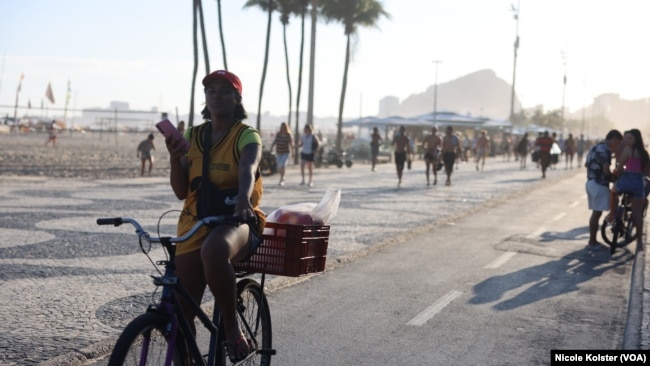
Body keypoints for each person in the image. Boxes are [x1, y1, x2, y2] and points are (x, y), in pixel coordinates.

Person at [164, 69, 265, 363]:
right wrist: (173, 157)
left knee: (215, 250)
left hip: (238, 219)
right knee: (182, 311)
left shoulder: (246, 135)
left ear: (236, 98)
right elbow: (181, 191)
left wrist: (244, 198)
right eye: (211, 91)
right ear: (205, 99)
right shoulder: (192, 136)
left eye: (225, 91)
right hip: (195, 221)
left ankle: (233, 331)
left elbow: (248, 166)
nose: (217, 96)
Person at [607, 129, 649, 249]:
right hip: (638, 184)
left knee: (613, 191)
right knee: (637, 214)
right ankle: (640, 241)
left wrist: (618, 174)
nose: (627, 140)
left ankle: (611, 214)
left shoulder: (628, 150)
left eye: (629, 138)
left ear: (636, 139)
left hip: (626, 181)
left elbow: (620, 167)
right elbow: (648, 171)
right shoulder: (644, 153)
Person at [585, 129, 623, 249]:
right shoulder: (605, 151)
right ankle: (593, 241)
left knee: (596, 213)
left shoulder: (596, 147)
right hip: (599, 184)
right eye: (618, 143)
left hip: (590, 182)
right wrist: (615, 175)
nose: (618, 146)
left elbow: (587, 164)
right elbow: (606, 171)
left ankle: (593, 240)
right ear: (614, 140)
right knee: (600, 212)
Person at [269, 122, 294, 186]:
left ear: (286, 128)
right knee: (279, 167)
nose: (283, 129)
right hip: (279, 152)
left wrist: (293, 152)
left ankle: (282, 179)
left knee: (282, 165)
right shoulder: (278, 134)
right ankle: (282, 176)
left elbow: (291, 145)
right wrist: (271, 147)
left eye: (284, 127)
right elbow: (275, 141)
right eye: (282, 127)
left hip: (285, 153)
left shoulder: (289, 135)